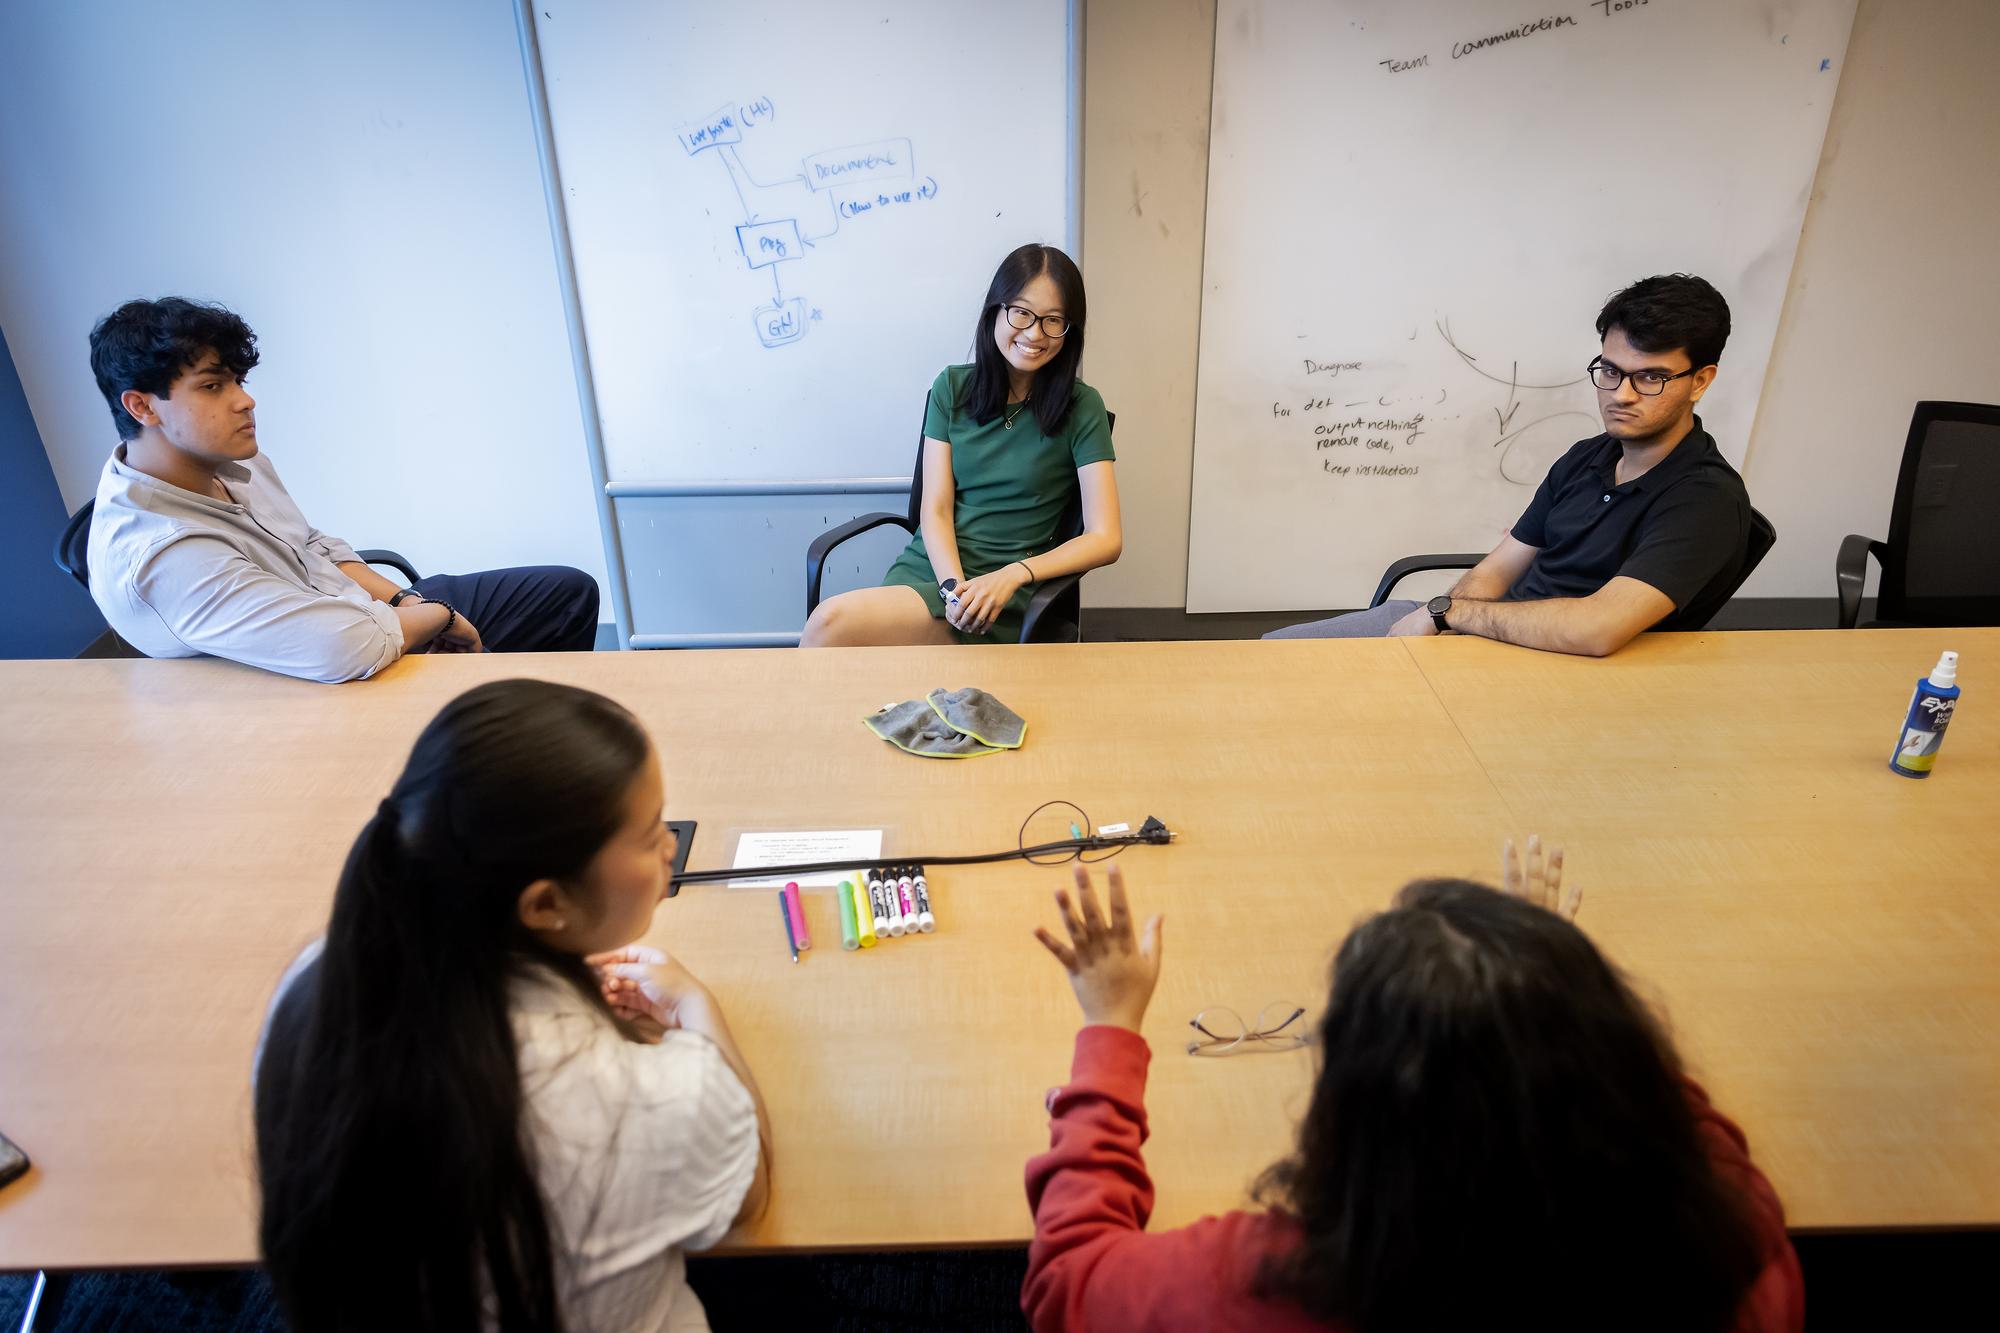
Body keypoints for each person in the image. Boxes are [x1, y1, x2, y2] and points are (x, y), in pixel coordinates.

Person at [1022, 843, 1804, 1333]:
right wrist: (1546, 994)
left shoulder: (1248, 1288)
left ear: (1354, 1110)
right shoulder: (1739, 1271)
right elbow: (1705, 1148)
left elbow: (1069, 1279)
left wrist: (1111, 1031)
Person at [255, 680, 770, 1332]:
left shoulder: (314, 992)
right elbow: (745, 1190)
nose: (671, 842)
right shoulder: (646, 1099)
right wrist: (698, 1009)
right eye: (648, 833)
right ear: (545, 905)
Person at [85, 298, 601, 682]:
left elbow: (313, 547)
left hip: (363, 615)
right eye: (213, 386)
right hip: (315, 679)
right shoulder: (164, 554)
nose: (246, 401)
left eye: (239, 380)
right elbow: (340, 648)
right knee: (473, 662)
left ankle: (526, 728)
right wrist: (438, 617)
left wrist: (407, 600)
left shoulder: (229, 459)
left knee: (565, 594)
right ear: (143, 407)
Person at [1267, 274, 1754, 655]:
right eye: (1610, 371)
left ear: (1701, 380)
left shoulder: (1704, 498)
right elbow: (1498, 570)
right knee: (1275, 652)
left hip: (1552, 665)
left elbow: (1597, 629)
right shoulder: (1588, 456)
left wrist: (1448, 617)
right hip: (1484, 631)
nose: (1621, 395)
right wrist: (1443, 624)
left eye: (1650, 377)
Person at [799, 244, 1122, 646]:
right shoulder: (951, 387)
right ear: (995, 311)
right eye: (1021, 312)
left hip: (1005, 589)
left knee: (831, 625)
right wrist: (952, 587)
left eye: (1053, 320)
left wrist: (1015, 574)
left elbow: (1106, 537)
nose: (1035, 333)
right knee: (840, 638)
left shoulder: (1081, 406)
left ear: (1069, 329)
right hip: (934, 569)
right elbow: (934, 507)